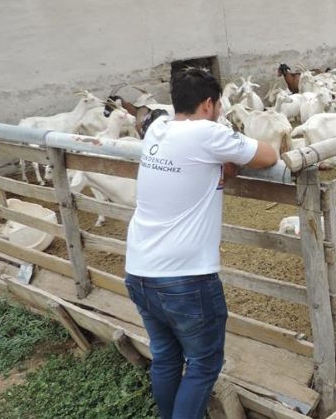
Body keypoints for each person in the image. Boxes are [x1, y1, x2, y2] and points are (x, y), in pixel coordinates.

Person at [124, 67, 277, 419]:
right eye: (219, 105)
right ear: (209, 104)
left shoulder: (158, 129)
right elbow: (268, 155)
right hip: (186, 278)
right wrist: (228, 154)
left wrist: (221, 164)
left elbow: (194, 161)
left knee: (165, 356)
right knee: (204, 365)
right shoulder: (208, 133)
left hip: (139, 270)